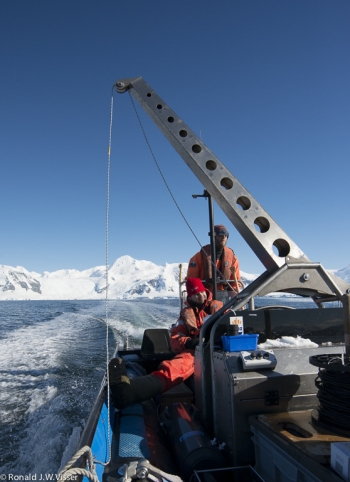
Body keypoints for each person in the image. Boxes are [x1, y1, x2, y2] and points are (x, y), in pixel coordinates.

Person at [108, 278, 223, 410]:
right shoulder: (185, 316)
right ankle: (130, 392)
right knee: (177, 366)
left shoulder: (220, 307)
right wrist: (189, 342)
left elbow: (236, 322)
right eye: (196, 294)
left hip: (224, 346)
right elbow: (174, 339)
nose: (201, 296)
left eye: (202, 292)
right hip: (197, 351)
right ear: (190, 296)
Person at [186, 224, 241, 295]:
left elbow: (235, 281)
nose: (224, 236)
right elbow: (191, 280)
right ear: (213, 236)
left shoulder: (232, 258)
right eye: (220, 233)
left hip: (224, 296)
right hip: (203, 296)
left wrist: (235, 295)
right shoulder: (199, 257)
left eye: (226, 234)